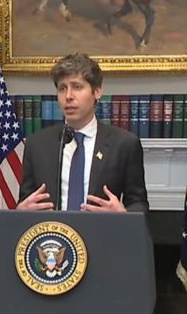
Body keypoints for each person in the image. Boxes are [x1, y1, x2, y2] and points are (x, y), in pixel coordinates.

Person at [17, 52, 148, 213]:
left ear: (97, 91)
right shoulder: (37, 144)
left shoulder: (124, 144)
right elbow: (26, 201)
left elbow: (139, 204)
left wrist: (122, 215)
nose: (68, 96)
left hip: (103, 229)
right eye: (62, 89)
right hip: (53, 229)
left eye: (77, 87)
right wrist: (20, 210)